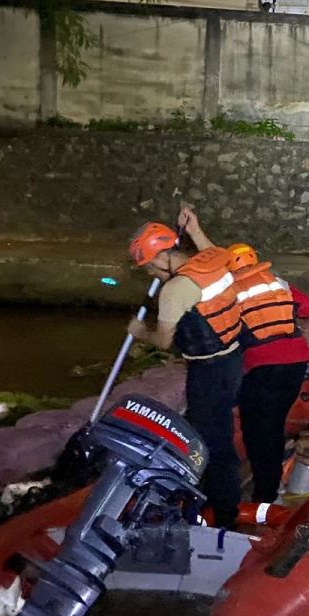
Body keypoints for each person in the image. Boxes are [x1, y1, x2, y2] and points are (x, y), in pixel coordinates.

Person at [127, 209, 244, 525]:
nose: (150, 272)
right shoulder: (214, 260)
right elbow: (208, 249)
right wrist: (195, 229)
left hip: (208, 372)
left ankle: (222, 512)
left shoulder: (174, 290)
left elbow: (164, 341)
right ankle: (213, 495)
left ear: (163, 258)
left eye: (150, 266)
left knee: (212, 440)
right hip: (234, 359)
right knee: (208, 430)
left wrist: (140, 333)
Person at [226, 241, 309, 503]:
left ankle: (264, 495)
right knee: (274, 425)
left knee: (257, 432)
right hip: (296, 362)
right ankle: (272, 485)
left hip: (262, 365)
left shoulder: (230, 292)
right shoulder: (278, 282)